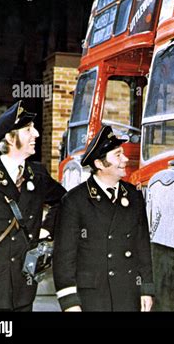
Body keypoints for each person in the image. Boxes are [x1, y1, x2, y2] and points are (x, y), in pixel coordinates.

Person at [0, 100, 66, 311]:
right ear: (9, 137)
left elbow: (64, 200)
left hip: (23, 292)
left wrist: (46, 229)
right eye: (27, 130)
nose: (35, 134)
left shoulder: (38, 174)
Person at [53, 126, 154, 312]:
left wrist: (146, 289)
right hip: (92, 298)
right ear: (100, 164)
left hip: (128, 294)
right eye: (118, 155)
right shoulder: (75, 201)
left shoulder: (134, 196)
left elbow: (142, 244)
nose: (125, 159)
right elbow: (64, 258)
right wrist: (70, 303)